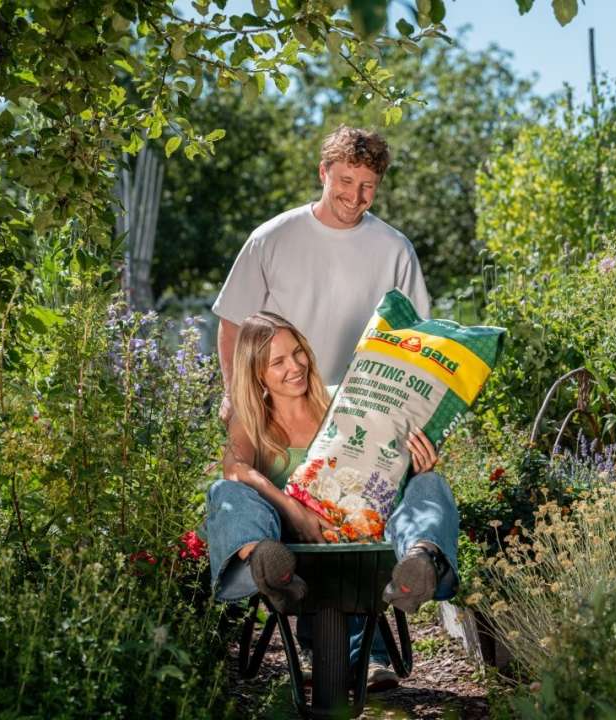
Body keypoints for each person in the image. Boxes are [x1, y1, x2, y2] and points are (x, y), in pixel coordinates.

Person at [205, 312, 460, 692]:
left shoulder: (342, 403)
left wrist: (414, 466)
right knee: (225, 492)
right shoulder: (251, 421)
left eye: (297, 352)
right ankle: (262, 560)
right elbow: (234, 469)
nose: (295, 366)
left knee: (430, 483)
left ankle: (421, 562)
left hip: (358, 532)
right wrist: (293, 508)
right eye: (278, 362)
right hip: (288, 549)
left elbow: (383, 466)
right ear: (257, 373)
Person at [212, 125, 430, 423]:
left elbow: (416, 341)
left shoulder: (397, 250)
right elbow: (232, 323)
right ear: (323, 173)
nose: (355, 195)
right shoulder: (271, 238)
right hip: (273, 413)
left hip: (358, 416)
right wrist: (233, 396)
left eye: (367, 185)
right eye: (346, 180)